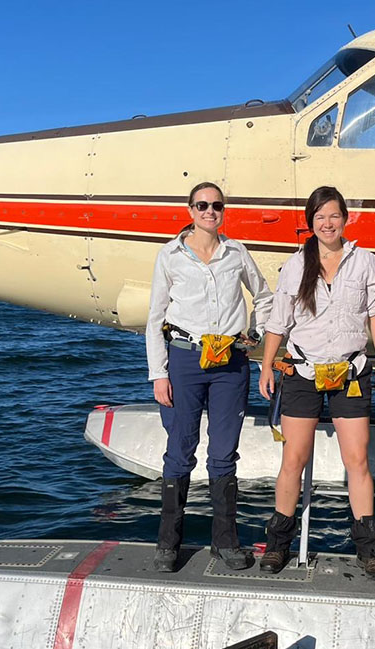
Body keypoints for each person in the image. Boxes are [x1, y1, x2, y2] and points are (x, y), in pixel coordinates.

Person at [258, 185, 375, 580]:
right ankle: (278, 542)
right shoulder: (295, 266)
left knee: (358, 461)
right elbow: (278, 322)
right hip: (302, 373)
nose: (327, 223)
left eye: (334, 215)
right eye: (319, 217)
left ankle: (369, 548)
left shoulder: (364, 260)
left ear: (345, 218)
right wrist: (267, 366)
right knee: (292, 461)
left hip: (351, 373)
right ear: (310, 222)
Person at [145, 182, 274, 572]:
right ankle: (168, 543)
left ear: (223, 211)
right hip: (184, 360)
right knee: (180, 450)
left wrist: (255, 331)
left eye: (216, 205)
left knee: (223, 453)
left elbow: (264, 295)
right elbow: (155, 318)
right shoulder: (169, 256)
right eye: (202, 205)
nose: (210, 211)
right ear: (189, 210)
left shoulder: (237, 253)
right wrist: (158, 374)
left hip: (230, 363)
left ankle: (226, 543)